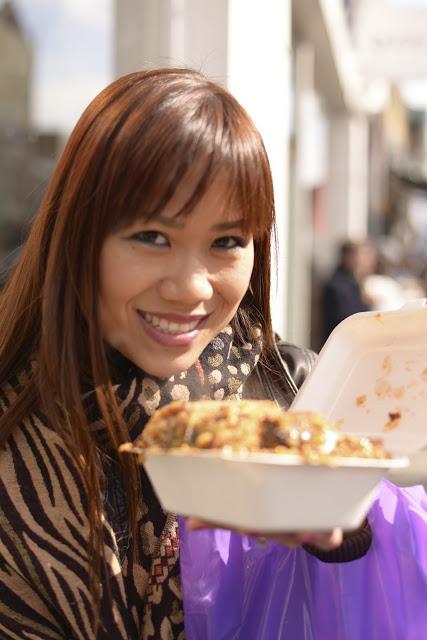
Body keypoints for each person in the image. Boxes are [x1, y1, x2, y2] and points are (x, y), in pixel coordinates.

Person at [0, 69, 421, 639]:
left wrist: (346, 536)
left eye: (227, 242)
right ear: (77, 236)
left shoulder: (297, 401)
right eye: (151, 236)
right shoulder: (17, 428)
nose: (193, 287)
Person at [321, 240, 376, 343]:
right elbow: (347, 319)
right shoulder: (338, 285)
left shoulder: (353, 282)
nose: (365, 261)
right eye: (362, 255)